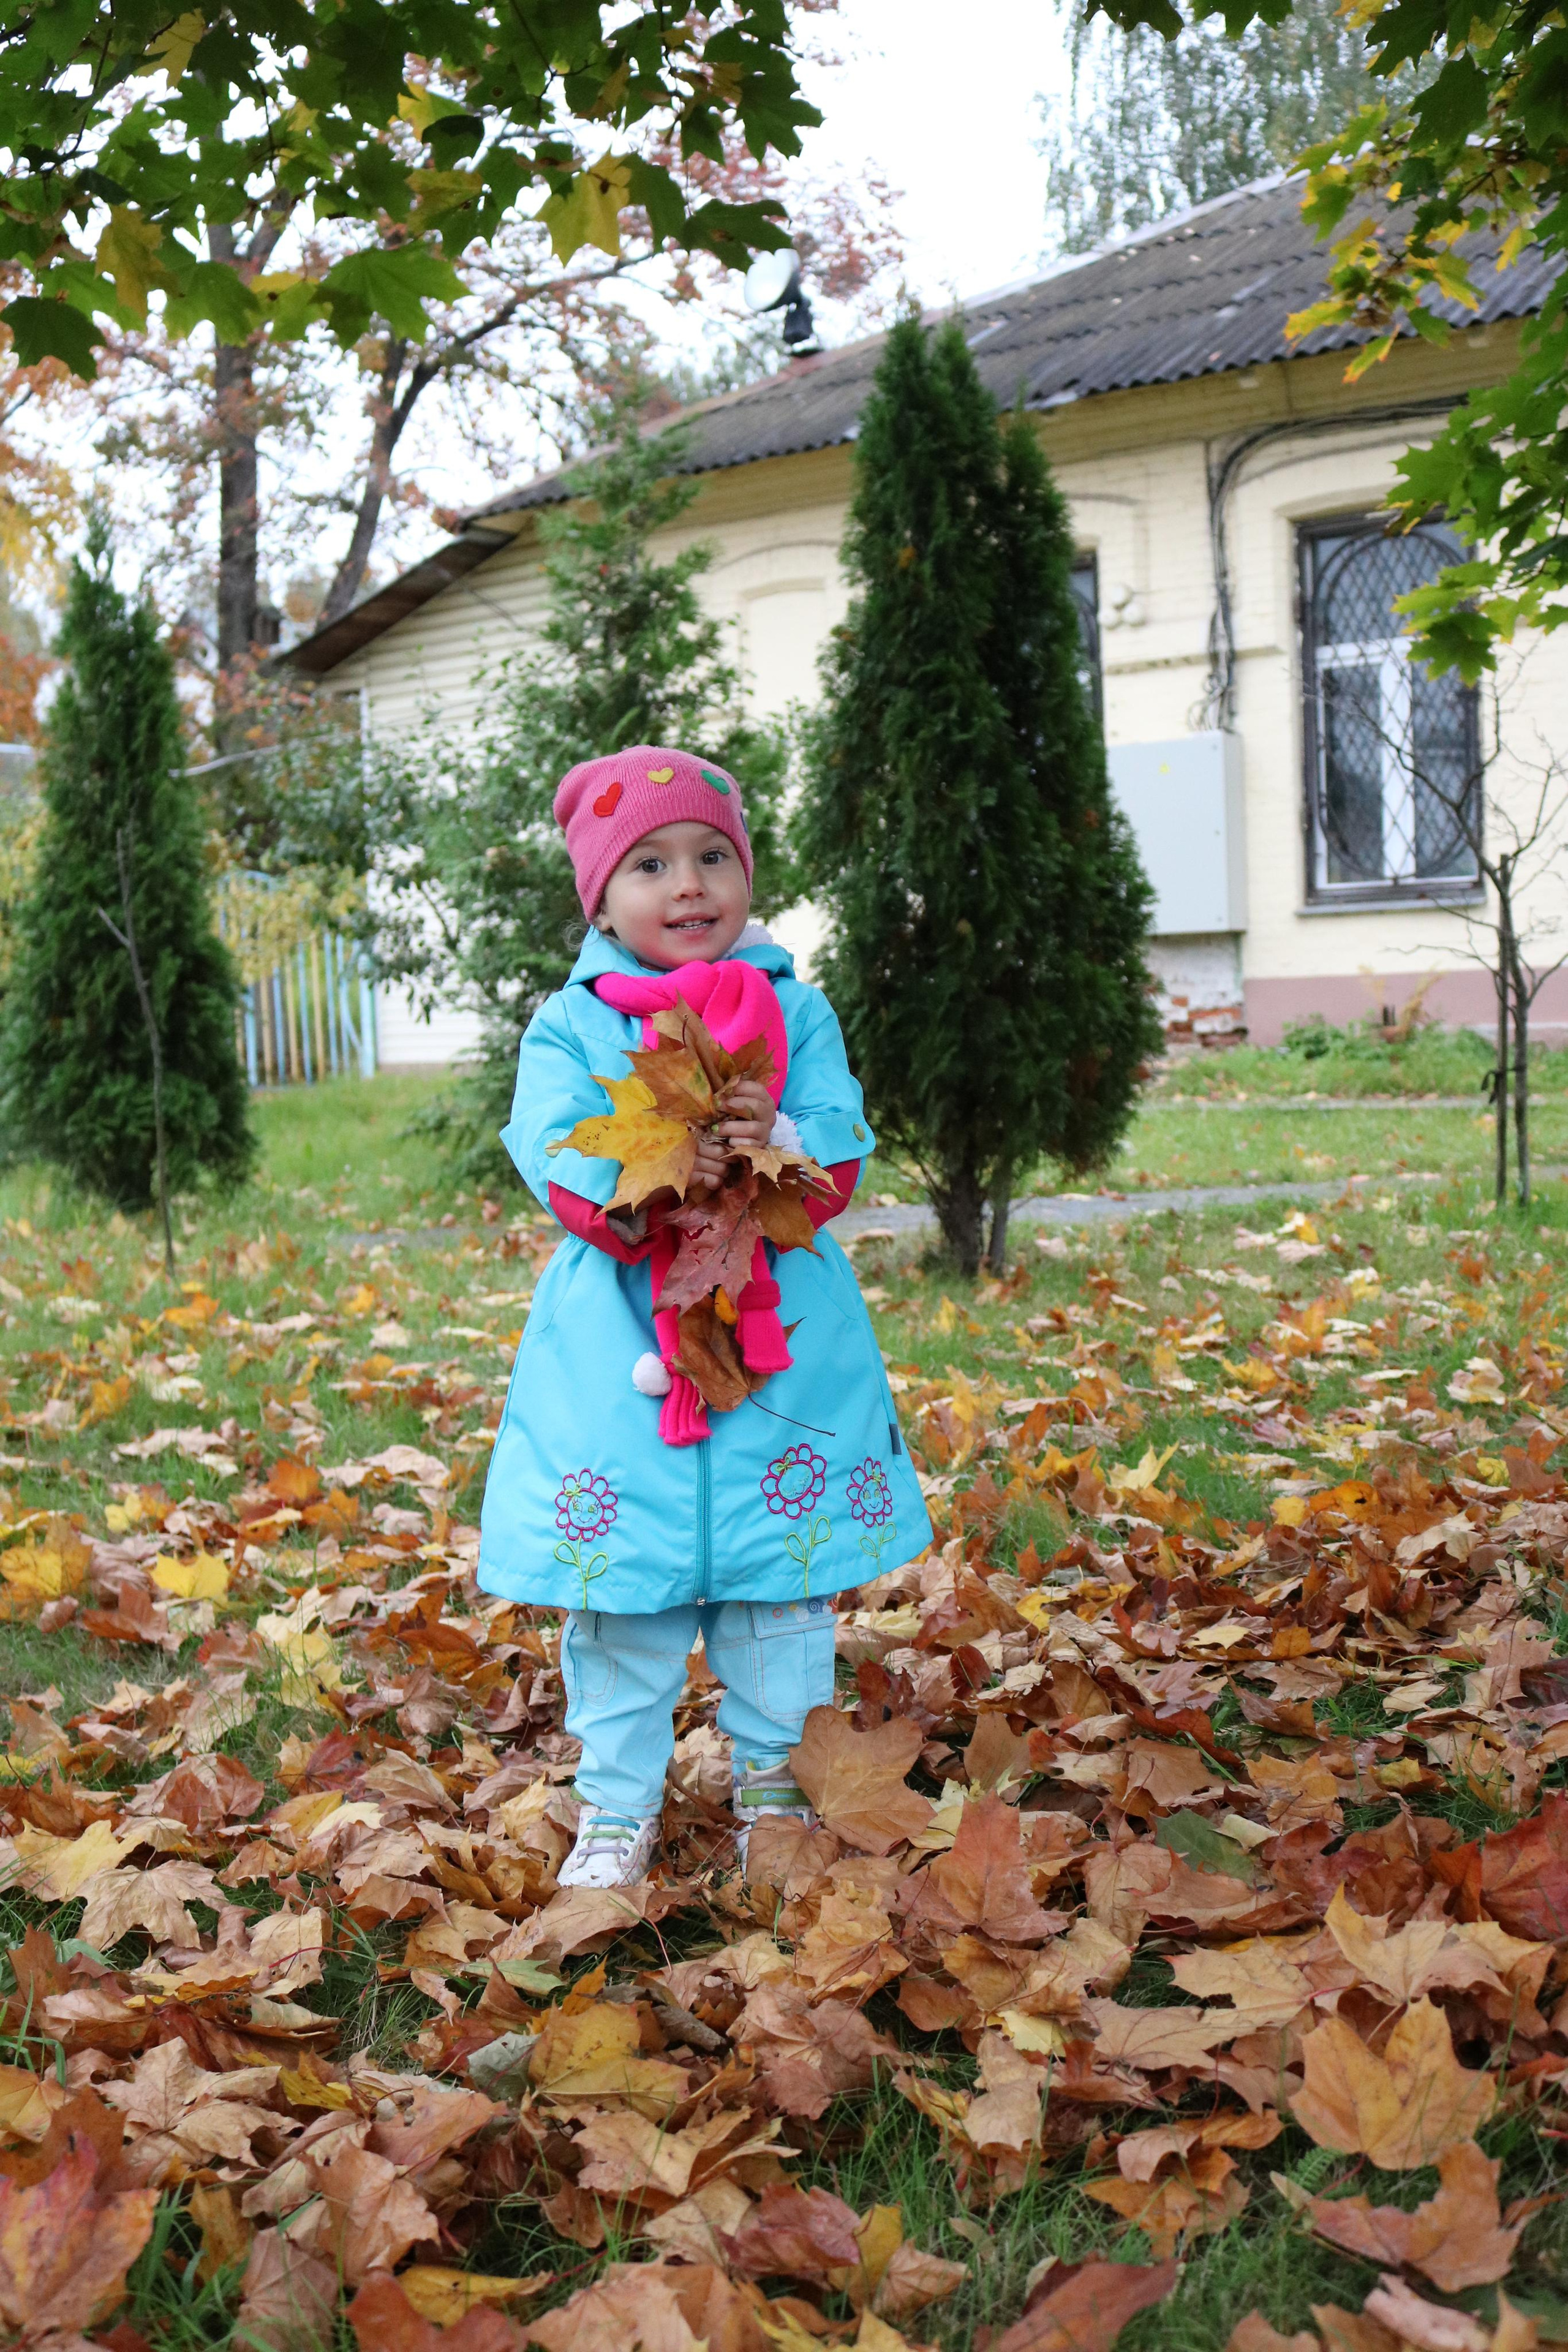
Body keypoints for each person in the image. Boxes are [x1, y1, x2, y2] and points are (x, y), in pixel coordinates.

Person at [477, 745, 931, 1888]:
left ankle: (774, 1784)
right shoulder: (574, 1024)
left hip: (782, 1342)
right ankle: (617, 1806)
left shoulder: (794, 1007)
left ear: (746, 877)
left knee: (780, 1583)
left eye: (712, 857)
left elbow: (836, 1132)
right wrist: (651, 1185)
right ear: (603, 896)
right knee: (622, 1598)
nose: (688, 884)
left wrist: (776, 1143)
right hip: (623, 1333)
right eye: (651, 864)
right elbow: (553, 1141)